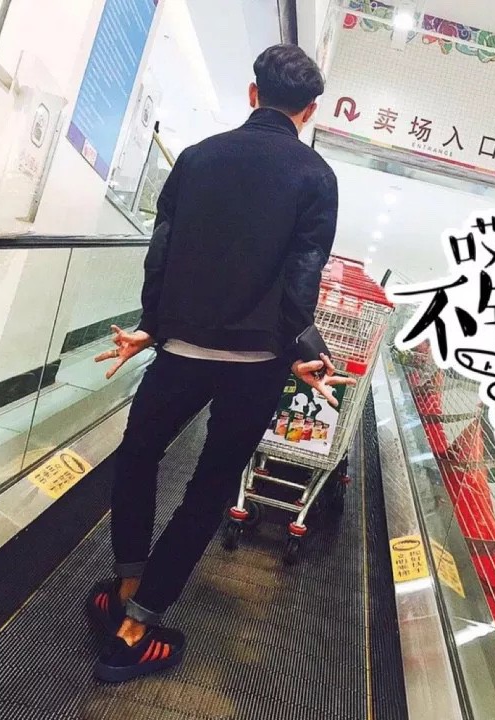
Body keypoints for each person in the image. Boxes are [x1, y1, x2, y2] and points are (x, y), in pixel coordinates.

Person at [87, 44, 352, 683]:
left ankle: (126, 583)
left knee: (139, 457)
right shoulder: (316, 177)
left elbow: (161, 250)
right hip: (256, 365)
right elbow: (303, 277)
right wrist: (302, 349)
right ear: (311, 109)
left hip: (180, 352)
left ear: (252, 94)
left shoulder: (198, 158)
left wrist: (151, 325)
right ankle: (138, 624)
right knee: (209, 488)